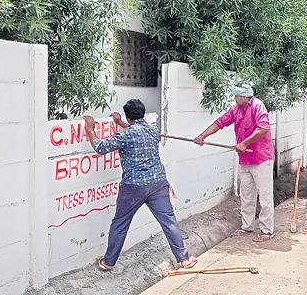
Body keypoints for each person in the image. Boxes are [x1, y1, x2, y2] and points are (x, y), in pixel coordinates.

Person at [82, 99, 197, 271]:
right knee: (169, 221)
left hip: (133, 186)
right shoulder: (152, 130)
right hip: (158, 183)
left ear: (128, 118)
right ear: (142, 114)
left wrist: (90, 128)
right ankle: (184, 259)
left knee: (120, 223)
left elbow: (100, 147)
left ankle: (108, 262)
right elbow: (136, 131)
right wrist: (119, 122)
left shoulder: (125, 134)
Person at [194, 83, 275, 241]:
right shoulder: (235, 109)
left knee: (265, 196)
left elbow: (263, 128)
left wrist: (244, 143)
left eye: (237, 96)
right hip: (245, 159)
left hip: (261, 158)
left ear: (245, 96)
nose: (235, 98)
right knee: (246, 195)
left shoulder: (258, 106)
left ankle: (267, 231)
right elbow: (220, 123)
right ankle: (247, 226)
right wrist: (202, 136)